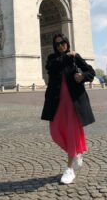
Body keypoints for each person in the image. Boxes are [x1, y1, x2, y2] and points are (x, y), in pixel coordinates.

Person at [41, 34, 95, 184]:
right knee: (55, 132)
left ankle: (69, 169)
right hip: (57, 102)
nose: (60, 46)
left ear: (67, 43)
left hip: (73, 102)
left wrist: (82, 76)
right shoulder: (52, 59)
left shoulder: (75, 57)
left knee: (71, 133)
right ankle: (76, 152)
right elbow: (52, 67)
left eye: (62, 43)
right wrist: (69, 56)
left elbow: (91, 72)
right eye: (57, 44)